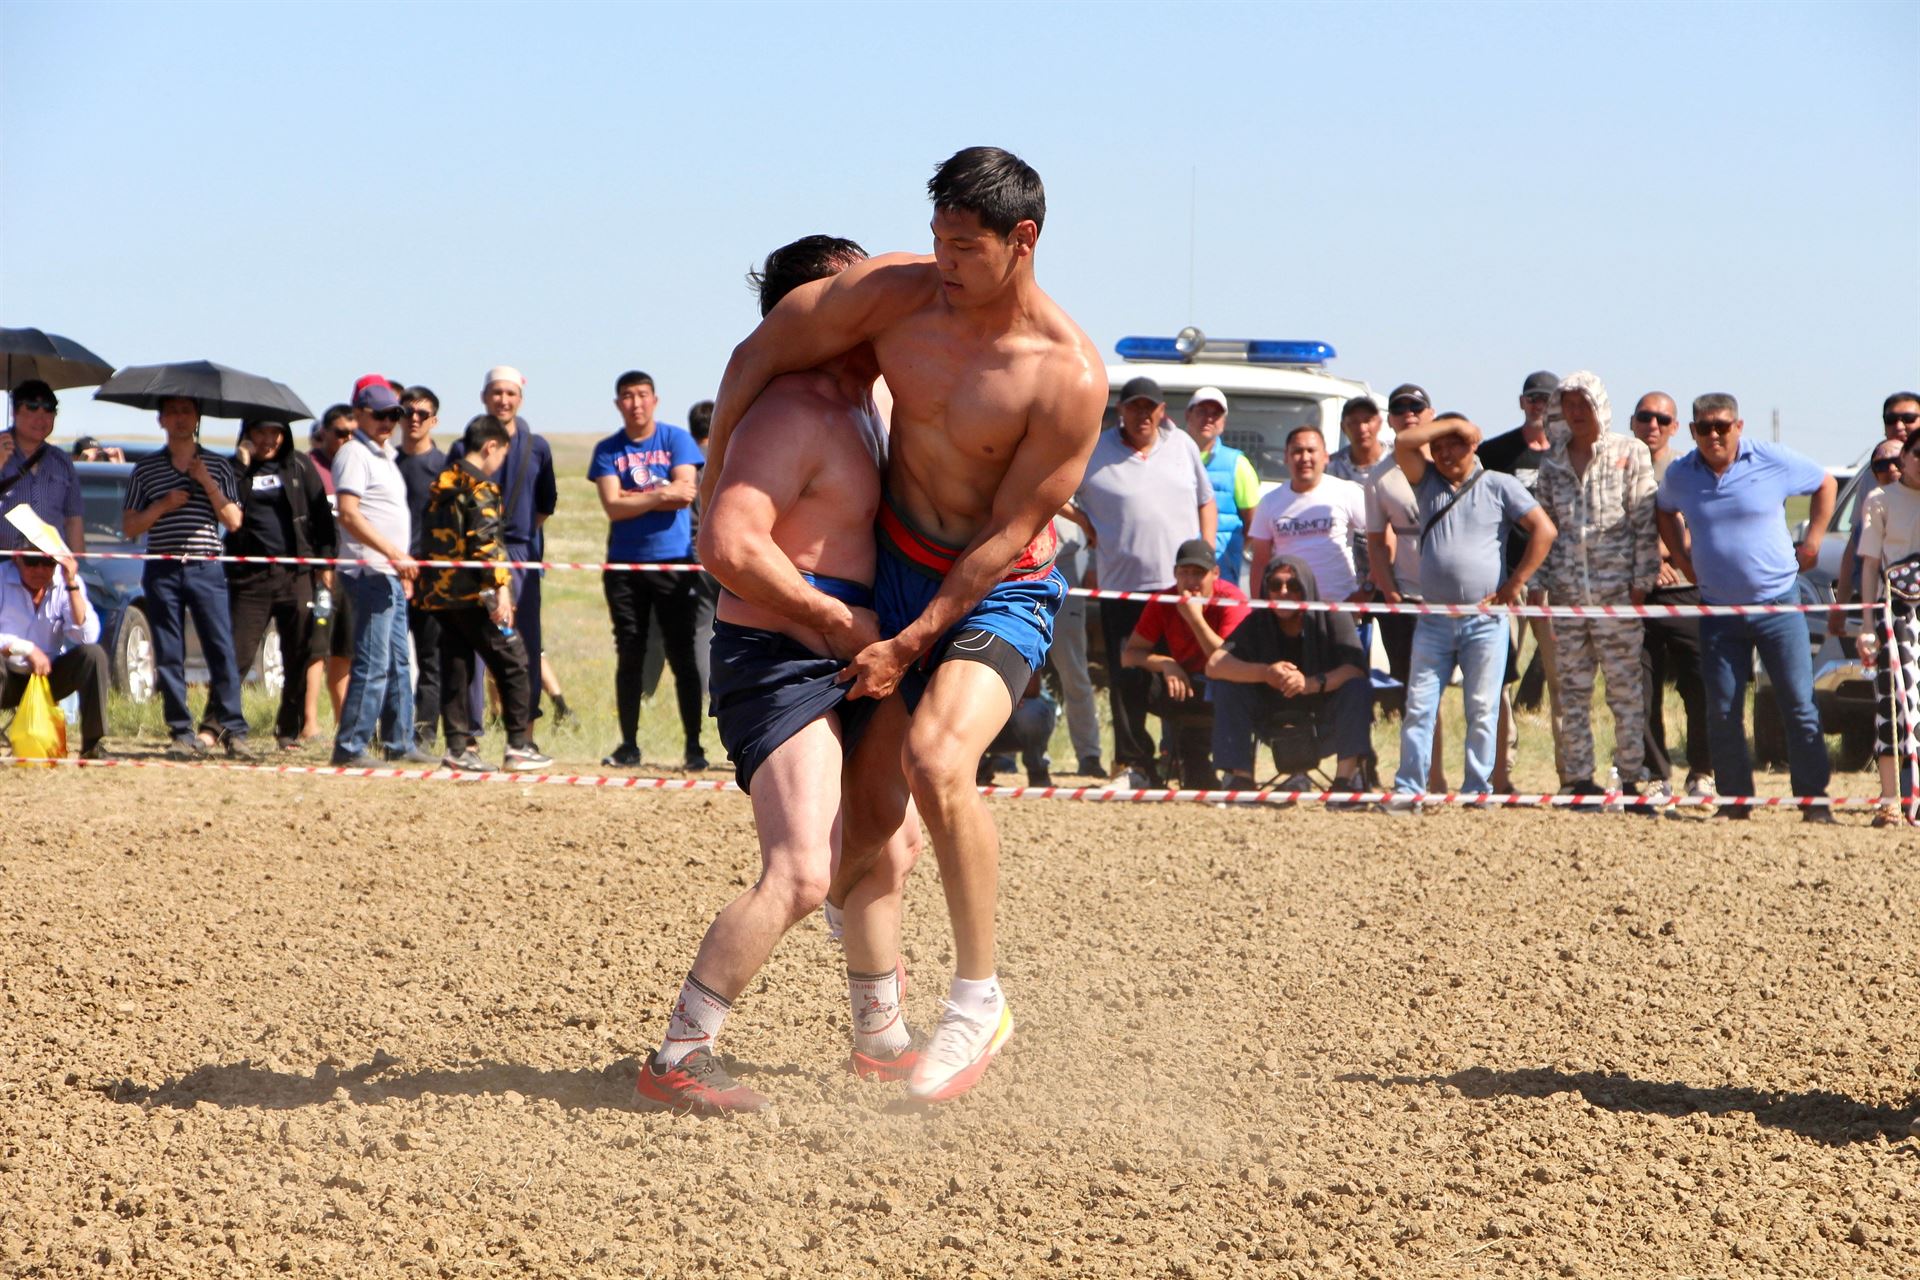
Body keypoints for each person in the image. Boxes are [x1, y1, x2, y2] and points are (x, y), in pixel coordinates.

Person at [701, 147, 1108, 1102]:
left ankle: (978, 998)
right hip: (894, 568)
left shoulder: (1069, 378)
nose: (943, 260)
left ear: (1024, 242)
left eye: (964, 246)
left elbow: (1008, 533)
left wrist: (914, 637)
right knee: (869, 838)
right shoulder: (895, 293)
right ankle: (881, 1030)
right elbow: (757, 352)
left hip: (998, 584)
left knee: (937, 760)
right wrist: (716, 481)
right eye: (935, 238)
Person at [637, 235, 921, 1113]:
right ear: (812, 317)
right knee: (802, 870)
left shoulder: (869, 400)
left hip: (853, 652)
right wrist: (837, 621)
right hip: (781, 656)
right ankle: (678, 1056)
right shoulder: (789, 413)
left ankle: (881, 1042)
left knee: (887, 847)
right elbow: (727, 546)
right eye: (853, 297)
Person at [1655, 393, 1835, 823]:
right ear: (1694, 430)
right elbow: (1664, 512)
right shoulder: (1681, 474)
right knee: (1722, 707)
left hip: (1779, 604)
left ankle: (1815, 804)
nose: (1714, 434)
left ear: (1738, 426)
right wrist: (1682, 559)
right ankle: (1735, 804)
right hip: (1718, 610)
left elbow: (1824, 483)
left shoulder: (1771, 459)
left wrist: (1813, 541)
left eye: (1722, 426)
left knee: (1797, 702)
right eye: (1704, 427)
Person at [1388, 412, 1556, 807]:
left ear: (1473, 445)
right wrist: (1452, 427)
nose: (1445, 452)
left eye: (1456, 444)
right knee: (1419, 706)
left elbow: (1544, 530)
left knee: (1482, 707)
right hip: (1434, 619)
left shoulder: (1499, 485)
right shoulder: (1425, 482)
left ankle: (1477, 790)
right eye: (1440, 445)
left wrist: (1514, 584)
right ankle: (1409, 788)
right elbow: (1404, 443)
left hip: (1485, 620)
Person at [1066, 375, 1216, 787]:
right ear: (1121, 411)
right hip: (1122, 587)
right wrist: (1085, 523)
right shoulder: (1095, 449)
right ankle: (1134, 764)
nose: (1142, 415)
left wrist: (1205, 556)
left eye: (1150, 407)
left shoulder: (1183, 445)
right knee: (1125, 677)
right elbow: (1051, 490)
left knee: (1190, 673)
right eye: (1134, 407)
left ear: (1162, 412)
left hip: (1179, 590)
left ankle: (1189, 761)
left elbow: (1207, 501)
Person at [1534, 372, 1659, 809]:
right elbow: (1544, 529)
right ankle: (1578, 779)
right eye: (1567, 404)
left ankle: (1631, 776)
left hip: (1618, 596)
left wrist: (1642, 584)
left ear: (1599, 405)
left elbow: (1644, 523)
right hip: (1568, 596)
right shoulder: (1551, 463)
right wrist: (1540, 587)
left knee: (1625, 691)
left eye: (1582, 403)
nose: (1575, 412)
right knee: (1571, 692)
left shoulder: (1630, 452)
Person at [412, 417, 552, 773]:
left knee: (456, 668)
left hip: (441, 596)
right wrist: (500, 590)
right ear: (491, 447)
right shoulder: (481, 487)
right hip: (476, 595)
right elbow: (486, 545)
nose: (500, 462)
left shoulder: (440, 484)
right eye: (501, 454)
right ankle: (519, 745)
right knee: (515, 661)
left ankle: (459, 748)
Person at [121, 395, 256, 760]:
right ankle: (180, 731)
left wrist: (205, 481)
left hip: (205, 566)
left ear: (197, 418)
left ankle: (233, 730)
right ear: (161, 420)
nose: (180, 418)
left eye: (187, 411)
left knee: (220, 648)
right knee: (168, 652)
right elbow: (130, 526)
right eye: (173, 412)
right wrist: (163, 505)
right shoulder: (145, 470)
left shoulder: (218, 465)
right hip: (163, 569)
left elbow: (233, 520)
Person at [589, 371, 706, 770]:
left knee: (682, 654)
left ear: (655, 399)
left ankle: (694, 747)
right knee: (630, 653)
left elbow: (685, 494)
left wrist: (634, 497)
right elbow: (612, 507)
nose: (635, 403)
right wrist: (660, 493)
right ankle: (628, 745)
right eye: (627, 396)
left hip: (674, 561)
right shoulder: (608, 449)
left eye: (641, 395)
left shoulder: (677, 440)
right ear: (618, 403)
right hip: (623, 564)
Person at [212, 418, 334, 750]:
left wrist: (325, 565)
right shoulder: (236, 469)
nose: (268, 439)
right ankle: (217, 725)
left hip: (296, 575)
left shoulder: (299, 466)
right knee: (237, 654)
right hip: (250, 576)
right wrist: (240, 464)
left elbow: (322, 518)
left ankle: (288, 730)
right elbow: (224, 503)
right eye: (260, 431)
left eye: (275, 432)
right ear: (247, 434)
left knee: (298, 653)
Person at [447, 368, 557, 733]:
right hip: (474, 556)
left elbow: (544, 505)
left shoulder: (537, 446)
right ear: (484, 397)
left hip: (522, 552)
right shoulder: (462, 447)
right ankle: (470, 733)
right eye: (496, 393)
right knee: (474, 644)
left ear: (520, 399)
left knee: (524, 643)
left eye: (510, 393)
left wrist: (514, 542)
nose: (503, 400)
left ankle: (523, 732)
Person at [1208, 556, 1372, 800]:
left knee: (1357, 688)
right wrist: (1265, 673)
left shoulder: (1332, 615)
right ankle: (1239, 779)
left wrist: (1311, 683)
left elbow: (1356, 668)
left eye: (1293, 586)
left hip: (1322, 712)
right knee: (1227, 686)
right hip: (1269, 712)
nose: (1283, 592)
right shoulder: (1256, 622)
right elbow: (1214, 665)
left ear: (1306, 587)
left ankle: (1345, 782)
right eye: (1275, 585)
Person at [330, 380, 429, 767]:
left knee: (399, 660)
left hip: (389, 571)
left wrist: (399, 563)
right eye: (380, 415)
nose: (389, 422)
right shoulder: (354, 454)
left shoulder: (384, 455)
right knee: (372, 662)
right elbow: (350, 514)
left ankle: (399, 741)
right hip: (370, 570)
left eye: (394, 415)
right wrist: (392, 554)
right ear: (359, 415)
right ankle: (350, 746)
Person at [1478, 371, 1566, 791]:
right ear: (1521, 402)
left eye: (1547, 399)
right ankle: (1500, 773)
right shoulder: (1494, 452)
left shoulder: (1570, 453)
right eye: (1533, 398)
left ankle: (1571, 773)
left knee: (1564, 678)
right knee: (1499, 677)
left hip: (1553, 581)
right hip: (1503, 581)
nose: (1539, 406)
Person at [1629, 391, 1712, 799]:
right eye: (1645, 417)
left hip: (1685, 589)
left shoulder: (1688, 468)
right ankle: (1654, 772)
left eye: (1662, 419)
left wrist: (1666, 552)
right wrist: (1646, 562)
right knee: (1640, 689)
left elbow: (1702, 522)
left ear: (1676, 427)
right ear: (1632, 422)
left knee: (1699, 685)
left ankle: (1702, 771)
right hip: (1636, 593)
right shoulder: (1617, 466)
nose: (1653, 426)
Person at [1120, 537, 1250, 788]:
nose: (1190, 581)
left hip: (1223, 687)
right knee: (1129, 677)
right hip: (1180, 685)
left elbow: (1226, 660)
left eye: (1198, 574)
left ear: (1215, 574)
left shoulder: (1231, 599)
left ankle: (1234, 773)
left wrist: (1195, 619)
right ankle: (1140, 768)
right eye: (1185, 573)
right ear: (1175, 574)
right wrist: (1165, 663)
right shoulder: (1165, 600)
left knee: (1231, 686)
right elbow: (1129, 655)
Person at [1365, 409, 1449, 792]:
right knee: (1415, 693)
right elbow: (1375, 539)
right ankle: (1427, 777)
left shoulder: (1453, 463)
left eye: (1417, 408)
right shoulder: (1381, 475)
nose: (1409, 416)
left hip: (1452, 598)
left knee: (1484, 695)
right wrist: (1389, 589)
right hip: (1408, 599)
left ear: (1430, 415)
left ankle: (1489, 778)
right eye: (1400, 410)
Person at [1854, 430, 1920, 828]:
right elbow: (1867, 563)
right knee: (1894, 704)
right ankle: (1891, 798)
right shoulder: (1880, 500)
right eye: (1917, 454)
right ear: (1907, 456)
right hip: (1894, 613)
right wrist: (1865, 623)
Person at [1, 547, 108, 758]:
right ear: (16, 558)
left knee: (93, 655)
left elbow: (87, 637)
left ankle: (92, 745)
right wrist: (26, 649)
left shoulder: (67, 583)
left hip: (47, 678)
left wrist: (72, 585)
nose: (40, 569)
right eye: (32, 561)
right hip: (6, 676)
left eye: (48, 562)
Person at [1247, 425, 1368, 606]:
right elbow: (1259, 563)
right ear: (1286, 458)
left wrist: (1368, 589)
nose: (1305, 458)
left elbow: (1382, 537)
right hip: (1288, 609)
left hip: (1340, 606)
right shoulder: (1269, 502)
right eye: (1297, 451)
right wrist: (1260, 608)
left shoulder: (1347, 492)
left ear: (1325, 457)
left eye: (1311, 451)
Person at [1832, 391, 1920, 636]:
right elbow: (1859, 543)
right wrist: (1842, 603)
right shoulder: (1873, 477)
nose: (1899, 425)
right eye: (1891, 420)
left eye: (1908, 418)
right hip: (1892, 600)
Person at [394, 386, 446, 751]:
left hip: (431, 579)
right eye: (407, 412)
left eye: (422, 414)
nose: (414, 419)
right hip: (390, 574)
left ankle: (425, 736)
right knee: (387, 661)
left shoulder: (444, 468)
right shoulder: (386, 463)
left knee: (432, 661)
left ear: (434, 420)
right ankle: (391, 735)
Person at [1182, 387, 1258, 586]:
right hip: (1178, 569)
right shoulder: (1170, 458)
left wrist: (1231, 555)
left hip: (1220, 572)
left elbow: (1253, 521)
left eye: (1215, 414)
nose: (1209, 419)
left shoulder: (1238, 464)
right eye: (1202, 412)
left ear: (1223, 423)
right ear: (1188, 415)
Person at [1045, 512, 1103, 775]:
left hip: (1063, 563)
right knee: (1007, 669)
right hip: (1017, 562)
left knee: (1073, 669)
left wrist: (1092, 563)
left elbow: (1094, 514)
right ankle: (1006, 755)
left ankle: (1089, 754)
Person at [0, 381, 85, 556]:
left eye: (48, 411)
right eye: (32, 409)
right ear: (14, 412)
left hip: (49, 568)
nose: (41, 420)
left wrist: (79, 567)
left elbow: (73, 519)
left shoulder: (62, 460)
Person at [1326, 395, 1390, 590]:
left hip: (1392, 568)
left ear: (1379, 423)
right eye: (1353, 422)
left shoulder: (1397, 461)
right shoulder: (1331, 466)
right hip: (1346, 571)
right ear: (1343, 427)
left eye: (1367, 421)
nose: (1362, 428)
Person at [686, 398, 722, 699]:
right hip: (725, 555)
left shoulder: (688, 462)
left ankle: (704, 692)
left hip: (696, 556)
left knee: (701, 630)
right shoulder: (727, 457)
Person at [977, 671, 1058, 787]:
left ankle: (1038, 772)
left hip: (1022, 706)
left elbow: (1031, 689)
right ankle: (978, 771)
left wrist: (1005, 696)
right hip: (984, 704)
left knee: (1031, 712)